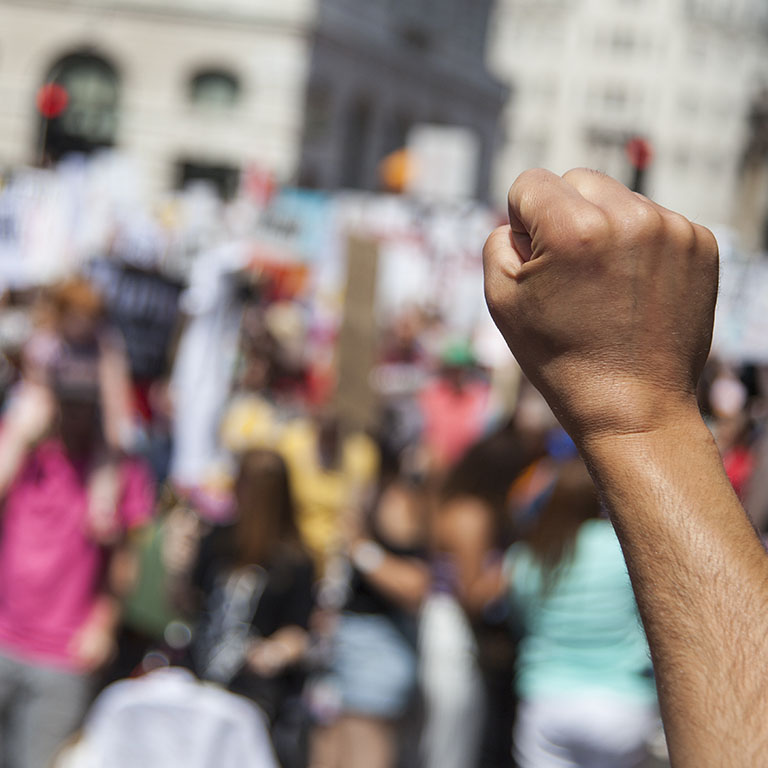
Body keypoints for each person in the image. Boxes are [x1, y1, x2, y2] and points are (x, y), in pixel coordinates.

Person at [483, 167, 768, 765]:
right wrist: (646, 419)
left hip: (546, 703)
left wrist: (642, 420)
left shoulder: (539, 552)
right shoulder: (613, 556)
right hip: (619, 710)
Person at [0, 371, 154, 768]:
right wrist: (19, 438)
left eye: (85, 401)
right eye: (66, 399)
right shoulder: (20, 449)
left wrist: (103, 624)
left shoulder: (117, 469)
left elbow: (124, 561)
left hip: (63, 650)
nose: (75, 412)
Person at [507, 455, 658, 767]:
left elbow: (521, 621)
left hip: (546, 702)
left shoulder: (530, 554)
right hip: (622, 705)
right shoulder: (626, 549)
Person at [186, 449, 315, 768]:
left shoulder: (294, 561)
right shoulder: (217, 540)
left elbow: (299, 631)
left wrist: (274, 652)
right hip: (202, 675)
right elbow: (188, 604)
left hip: (251, 691)